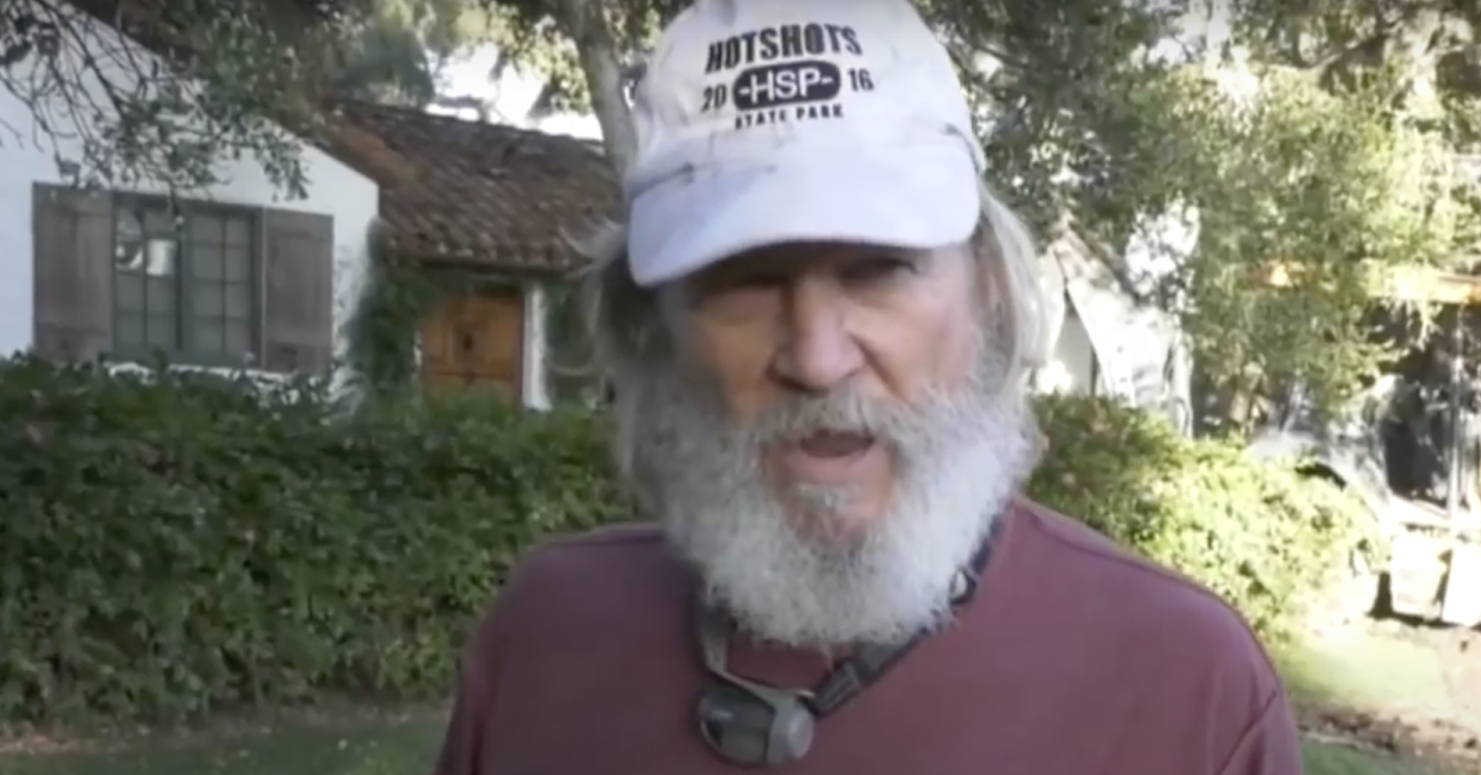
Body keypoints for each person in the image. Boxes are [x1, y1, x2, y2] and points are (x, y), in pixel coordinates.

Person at [432, 0, 1303, 772]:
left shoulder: (1191, 691)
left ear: (991, 292)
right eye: (742, 279)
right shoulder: (542, 639)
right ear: (649, 326)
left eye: (879, 267)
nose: (816, 358)